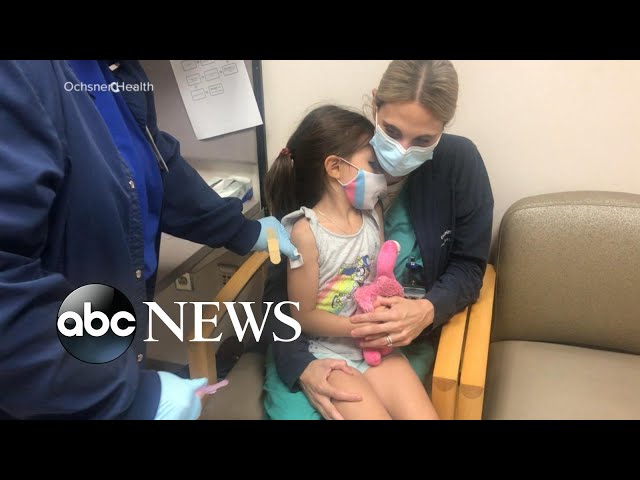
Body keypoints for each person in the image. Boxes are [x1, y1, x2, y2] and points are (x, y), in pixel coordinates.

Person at [0, 60, 299, 420]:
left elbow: (154, 162)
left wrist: (243, 230)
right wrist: (127, 399)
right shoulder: (19, 74)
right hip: (47, 381)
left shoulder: (119, 72)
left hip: (103, 341)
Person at [263, 60, 494, 420]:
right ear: (375, 103)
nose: (402, 150)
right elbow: (283, 295)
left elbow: (469, 267)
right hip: (311, 344)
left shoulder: (458, 164)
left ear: (442, 128)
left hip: (396, 341)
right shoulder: (330, 151)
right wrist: (300, 364)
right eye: (391, 131)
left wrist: (427, 309)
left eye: (423, 140)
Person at [264, 105, 439, 419]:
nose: (382, 174)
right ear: (335, 167)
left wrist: (387, 308)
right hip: (327, 350)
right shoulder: (305, 233)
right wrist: (359, 328)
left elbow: (378, 279)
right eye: (373, 164)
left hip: (373, 345)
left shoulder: (373, 214)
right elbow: (302, 316)